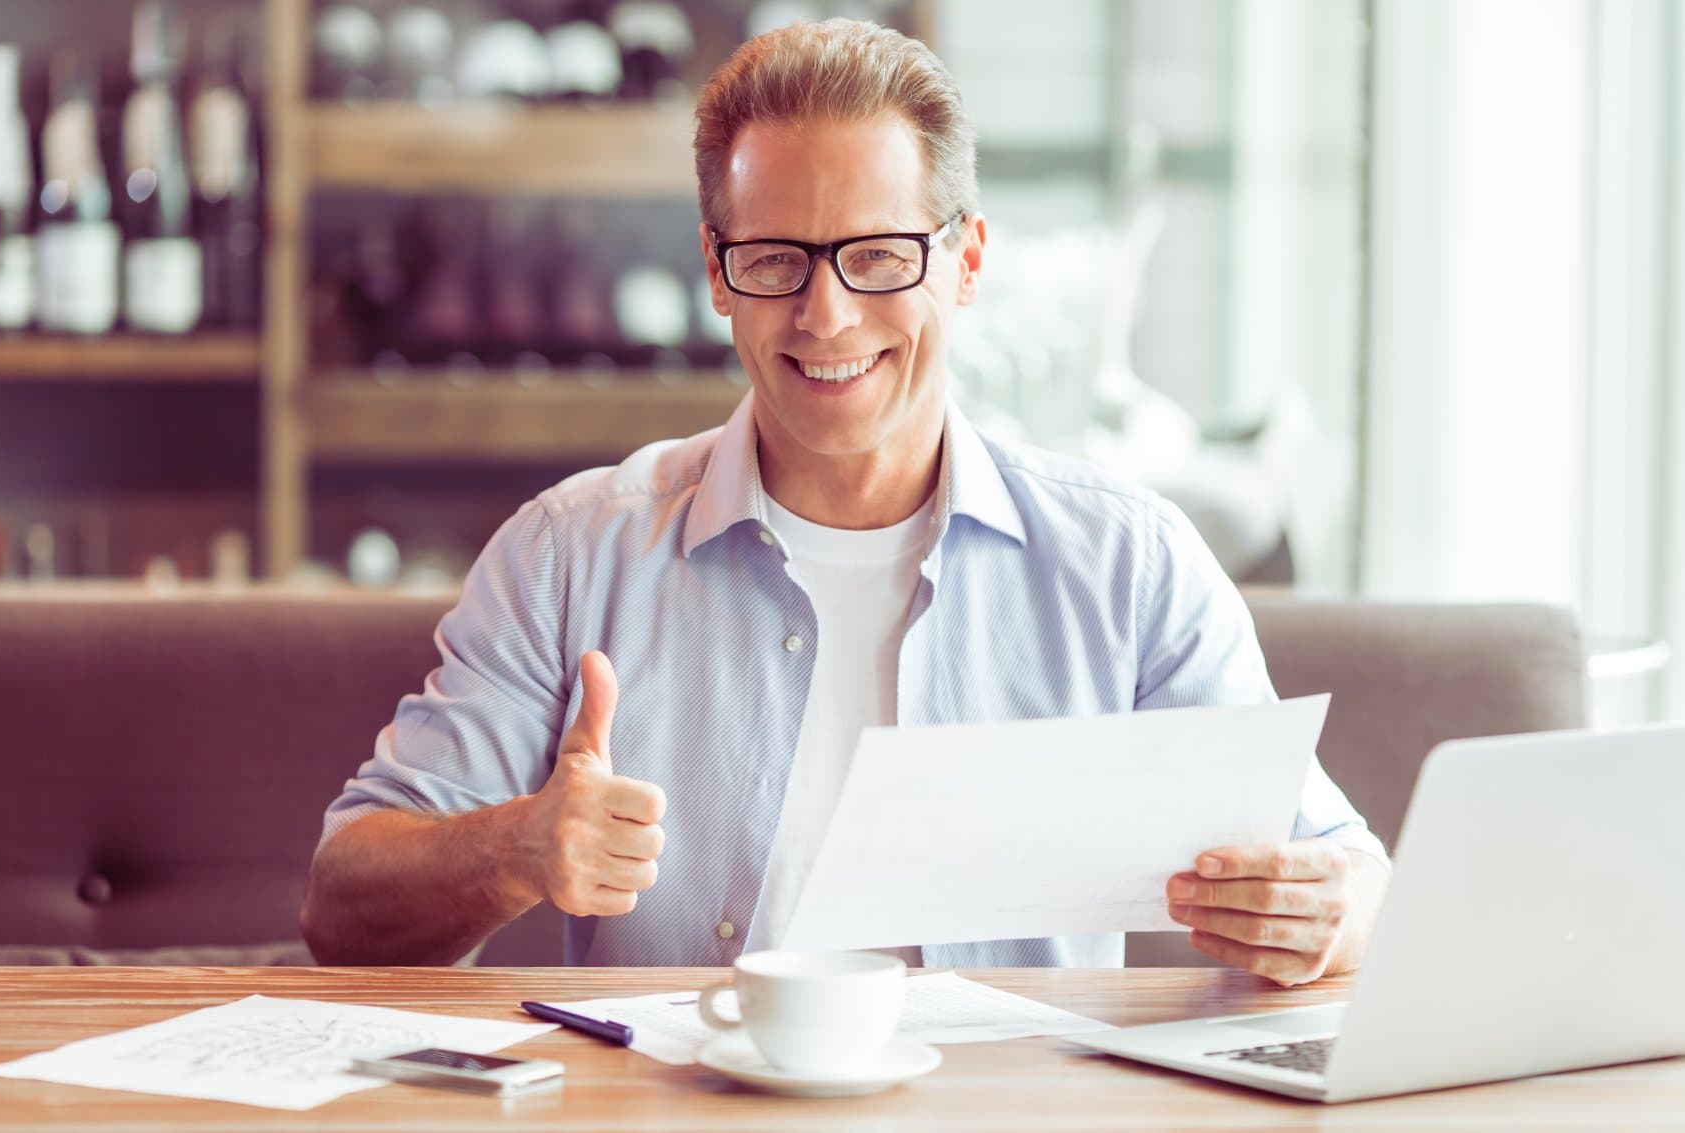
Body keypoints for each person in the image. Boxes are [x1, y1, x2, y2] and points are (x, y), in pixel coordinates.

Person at [300, 19, 1390, 986]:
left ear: (963, 259)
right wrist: (516, 848)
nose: (824, 316)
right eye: (775, 259)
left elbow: (1349, 871)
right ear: (717, 273)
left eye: (876, 255)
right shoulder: (569, 552)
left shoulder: (1127, 562)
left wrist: (1327, 913)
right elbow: (340, 908)